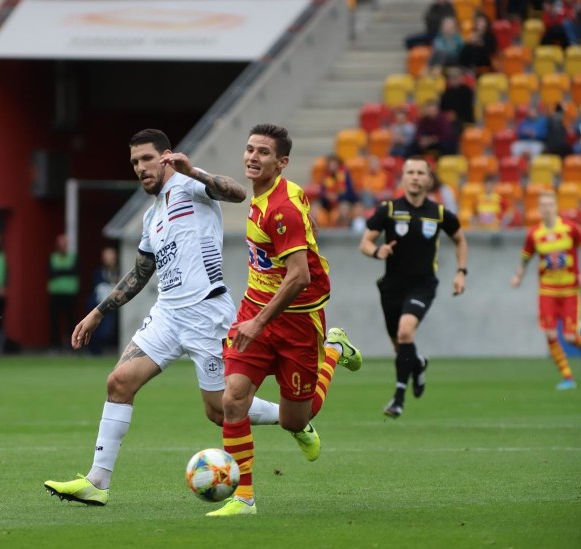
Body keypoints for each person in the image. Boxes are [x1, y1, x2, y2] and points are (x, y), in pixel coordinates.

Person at [45, 128, 307, 508]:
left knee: (219, 412)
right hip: (167, 313)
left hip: (207, 312)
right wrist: (97, 313)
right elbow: (139, 274)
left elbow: (234, 192)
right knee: (119, 381)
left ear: (166, 157)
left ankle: (293, 418)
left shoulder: (190, 184)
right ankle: (97, 481)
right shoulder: (152, 217)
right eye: (134, 162)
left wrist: (193, 171)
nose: (140, 168)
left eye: (147, 159)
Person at [206, 123, 362, 517]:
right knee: (233, 399)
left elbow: (299, 276)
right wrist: (254, 319)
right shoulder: (267, 196)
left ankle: (333, 350)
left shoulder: (281, 210)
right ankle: (243, 498)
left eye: (263, 152)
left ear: (282, 162)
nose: (253, 157)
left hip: (297, 321)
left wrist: (259, 323)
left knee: (297, 419)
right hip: (255, 308)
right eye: (249, 149)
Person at [359, 156, 468, 418]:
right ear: (403, 178)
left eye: (421, 173)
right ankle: (418, 364)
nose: (416, 177)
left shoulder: (440, 213)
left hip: (423, 284)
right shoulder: (388, 210)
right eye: (411, 172)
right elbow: (365, 243)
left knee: (406, 331)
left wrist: (461, 273)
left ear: (428, 179)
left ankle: (398, 399)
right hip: (391, 286)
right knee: (400, 347)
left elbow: (460, 241)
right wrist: (378, 251)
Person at [511, 191, 581, 391]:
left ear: (556, 207)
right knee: (550, 334)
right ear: (539, 209)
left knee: (569, 337)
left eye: (550, 204)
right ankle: (568, 377)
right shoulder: (534, 234)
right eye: (543, 205)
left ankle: (568, 376)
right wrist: (518, 276)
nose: (547, 208)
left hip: (569, 290)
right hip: (547, 290)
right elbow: (526, 256)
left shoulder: (570, 228)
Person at [47, 232, 79, 353]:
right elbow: (51, 273)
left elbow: (74, 271)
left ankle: (73, 345)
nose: (62, 246)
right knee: (54, 321)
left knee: (71, 320)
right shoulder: (53, 257)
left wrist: (59, 271)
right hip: (55, 293)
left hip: (70, 293)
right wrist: (65, 271)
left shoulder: (73, 257)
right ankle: (55, 346)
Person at [87, 246, 120, 355]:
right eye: (106, 256)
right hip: (98, 304)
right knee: (95, 329)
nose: (108, 258)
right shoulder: (98, 272)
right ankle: (93, 352)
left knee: (106, 331)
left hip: (112, 306)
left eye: (111, 255)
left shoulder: (120, 272)